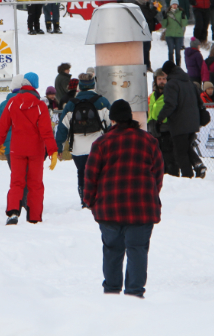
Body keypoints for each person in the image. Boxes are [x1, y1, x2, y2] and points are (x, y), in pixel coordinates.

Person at [82, 99, 163, 298]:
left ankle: (111, 293)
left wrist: (91, 202)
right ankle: (135, 295)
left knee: (112, 251)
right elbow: (158, 174)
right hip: (142, 209)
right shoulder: (149, 141)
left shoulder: (101, 143)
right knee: (137, 251)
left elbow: (90, 176)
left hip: (109, 208)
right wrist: (150, 194)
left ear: (112, 120)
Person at [0, 72, 58, 225]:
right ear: (35, 86)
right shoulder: (41, 105)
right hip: (36, 150)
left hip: (16, 149)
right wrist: (52, 151)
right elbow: (46, 131)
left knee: (16, 182)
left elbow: (3, 125)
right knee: (35, 183)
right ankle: (34, 217)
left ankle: (13, 212)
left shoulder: (12, 102)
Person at [55, 73, 112, 205]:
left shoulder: (71, 104)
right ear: (93, 84)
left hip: (77, 148)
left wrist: (58, 147)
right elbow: (111, 124)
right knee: (99, 172)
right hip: (98, 146)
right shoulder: (102, 101)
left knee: (82, 172)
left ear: (80, 86)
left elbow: (62, 127)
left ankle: (85, 199)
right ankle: (98, 198)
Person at [156, 61, 201, 178]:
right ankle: (198, 165)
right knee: (186, 148)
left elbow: (170, 104)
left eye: (164, 74)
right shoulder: (189, 82)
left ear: (167, 72)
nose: (164, 77)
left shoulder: (171, 84)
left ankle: (187, 176)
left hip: (180, 123)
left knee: (180, 153)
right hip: (193, 122)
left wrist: (160, 119)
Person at [163, 0, 186, 66]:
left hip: (179, 35)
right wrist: (164, 18)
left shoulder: (181, 12)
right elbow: (164, 25)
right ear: (171, 5)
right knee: (170, 51)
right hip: (169, 34)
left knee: (178, 52)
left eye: (176, 4)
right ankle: (171, 65)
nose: (174, 6)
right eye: (173, 4)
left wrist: (184, 17)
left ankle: (178, 65)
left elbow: (184, 24)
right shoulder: (167, 13)